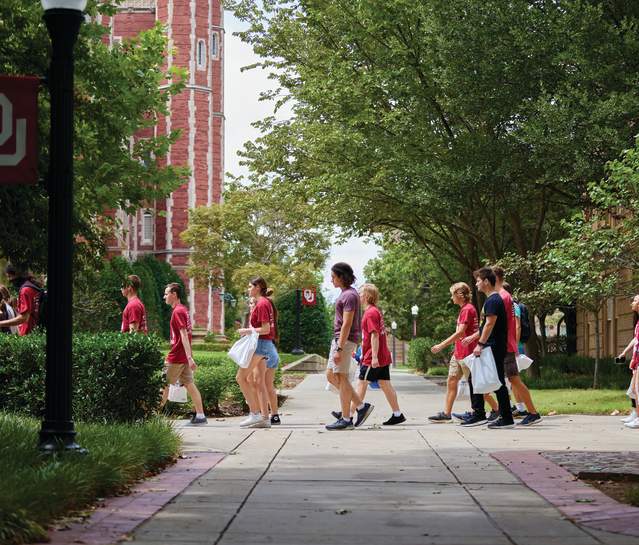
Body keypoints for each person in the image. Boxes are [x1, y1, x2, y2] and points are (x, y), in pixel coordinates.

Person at [429, 282, 498, 423]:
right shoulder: (463, 309)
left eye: (452, 294)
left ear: (459, 295)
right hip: (459, 353)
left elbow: (460, 333)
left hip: (468, 354)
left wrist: (441, 345)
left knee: (477, 386)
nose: (451, 298)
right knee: (451, 381)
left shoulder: (467, 309)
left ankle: (497, 409)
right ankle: (447, 414)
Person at [461, 267, 514, 428]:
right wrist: (475, 337)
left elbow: (490, 324)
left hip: (492, 347)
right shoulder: (492, 300)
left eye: (478, 281)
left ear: (485, 282)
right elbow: (486, 325)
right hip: (492, 346)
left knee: (495, 381)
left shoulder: (493, 300)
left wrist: (480, 344)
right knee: (482, 378)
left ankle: (501, 417)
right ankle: (483, 414)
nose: (476, 284)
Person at [325, 262, 374, 430]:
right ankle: (360, 406)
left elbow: (346, 324)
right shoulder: (347, 294)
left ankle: (346, 419)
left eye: (333, 277)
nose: (331, 280)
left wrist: (339, 348)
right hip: (341, 340)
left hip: (343, 341)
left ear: (341, 276)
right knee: (332, 375)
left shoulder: (349, 296)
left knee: (341, 377)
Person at [494, 269, 541, 426]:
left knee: (514, 379)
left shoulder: (509, 302)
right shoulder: (504, 300)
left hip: (510, 347)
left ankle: (531, 412)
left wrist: (514, 346)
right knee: (512, 380)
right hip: (507, 346)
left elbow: (516, 326)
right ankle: (519, 410)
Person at [160, 283, 207, 425]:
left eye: (166, 293)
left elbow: (184, 335)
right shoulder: (183, 310)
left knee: (163, 384)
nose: (164, 296)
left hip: (177, 356)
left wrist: (189, 357)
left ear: (174, 294)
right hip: (182, 356)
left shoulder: (178, 311)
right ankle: (200, 415)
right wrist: (188, 357)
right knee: (189, 384)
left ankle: (150, 416)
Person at [358, 284, 405, 424]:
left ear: (366, 296)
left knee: (361, 383)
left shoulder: (370, 313)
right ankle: (397, 415)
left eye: (360, 293)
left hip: (374, 356)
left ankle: (347, 416)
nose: (358, 296)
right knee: (385, 384)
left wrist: (373, 357)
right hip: (382, 355)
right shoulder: (375, 311)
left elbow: (374, 335)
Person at [236, 278, 278, 429]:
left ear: (258, 287)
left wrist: (246, 330)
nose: (248, 289)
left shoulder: (261, 304)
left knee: (240, 377)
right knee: (258, 383)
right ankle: (265, 419)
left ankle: (254, 413)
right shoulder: (264, 303)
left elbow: (266, 329)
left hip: (261, 345)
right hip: (263, 345)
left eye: (249, 286)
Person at [0, 264, 42, 335]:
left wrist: (0, 323)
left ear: (17, 275)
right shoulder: (33, 287)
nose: (9, 280)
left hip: (29, 333)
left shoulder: (25, 290)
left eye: (9, 276)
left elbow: (24, 318)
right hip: (36, 331)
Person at [618, 294, 639, 428]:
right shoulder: (638, 323)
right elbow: (636, 340)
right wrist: (625, 352)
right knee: (632, 390)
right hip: (636, 360)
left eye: (635, 300)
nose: (632, 302)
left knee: (636, 389)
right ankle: (635, 413)